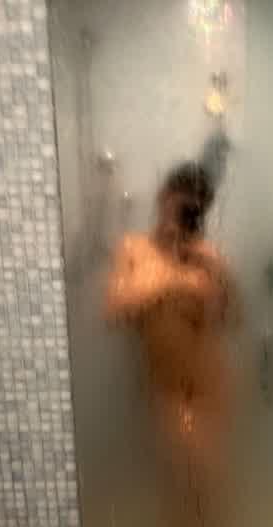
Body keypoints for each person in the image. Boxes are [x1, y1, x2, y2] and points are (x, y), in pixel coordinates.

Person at [105, 161, 241, 481]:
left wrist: (220, 271)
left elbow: (234, 319)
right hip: (167, 391)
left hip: (212, 383)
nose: (183, 214)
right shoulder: (134, 249)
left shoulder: (206, 255)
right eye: (180, 203)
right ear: (163, 196)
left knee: (205, 483)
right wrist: (172, 280)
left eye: (195, 209)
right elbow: (112, 311)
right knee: (191, 478)